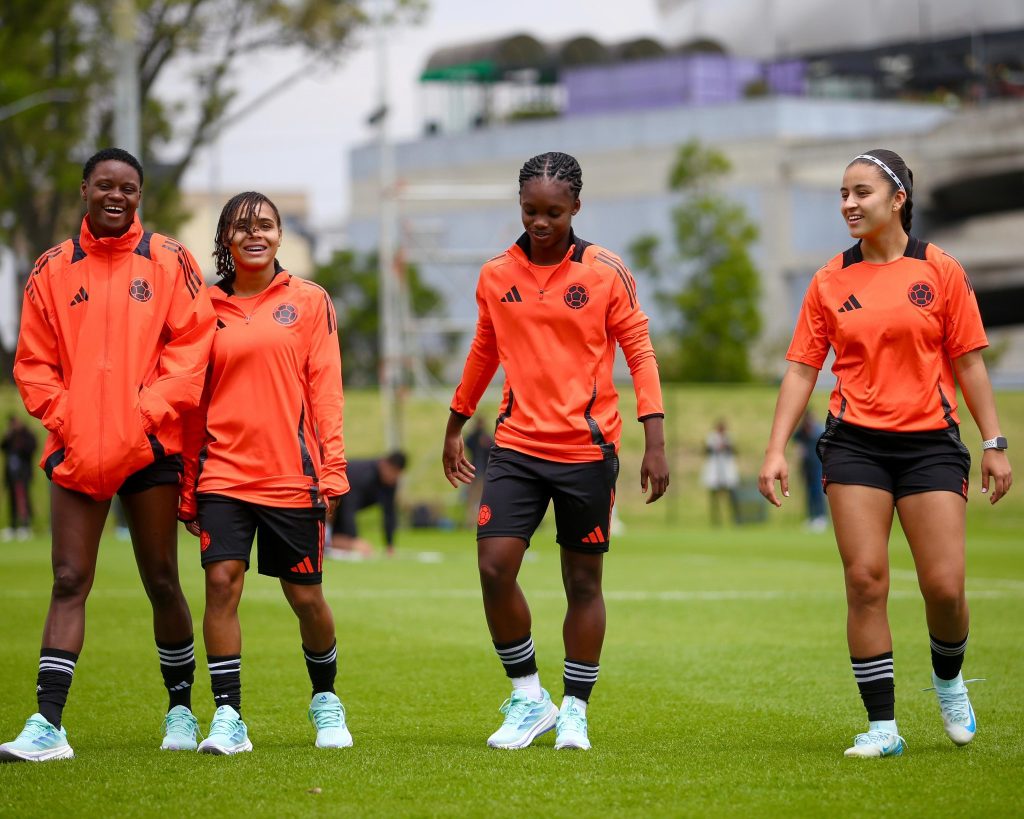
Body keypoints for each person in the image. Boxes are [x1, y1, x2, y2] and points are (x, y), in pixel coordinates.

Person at [758, 149, 1012, 759]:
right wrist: (773, 450)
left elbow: (970, 363)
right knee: (865, 580)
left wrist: (994, 443)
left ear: (898, 199)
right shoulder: (828, 280)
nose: (849, 203)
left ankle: (949, 681)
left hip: (930, 446)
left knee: (945, 588)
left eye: (861, 192)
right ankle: (882, 726)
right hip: (855, 446)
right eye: (843, 193)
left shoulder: (942, 271)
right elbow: (799, 372)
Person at [442, 152, 669, 752]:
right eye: (530, 210)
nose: (540, 222)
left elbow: (640, 351)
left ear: (575, 207)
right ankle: (527, 696)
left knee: (582, 582)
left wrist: (655, 437)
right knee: (494, 566)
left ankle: (575, 709)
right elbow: (484, 350)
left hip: (587, 449)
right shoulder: (496, 274)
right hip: (516, 445)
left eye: (553, 212)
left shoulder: (605, 271)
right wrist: (455, 422)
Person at [0, 148, 217, 762]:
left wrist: (145, 417)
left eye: (127, 188)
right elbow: (33, 364)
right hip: (75, 450)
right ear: (84, 191)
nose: (115, 196)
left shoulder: (172, 261)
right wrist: (68, 419)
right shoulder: (50, 269)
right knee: (69, 579)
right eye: (104, 186)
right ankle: (48, 725)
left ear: (140, 196)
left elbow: (192, 351)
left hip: (148, 449)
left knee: (162, 580)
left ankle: (180, 711)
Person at [178, 191, 350, 754]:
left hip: (291, 477)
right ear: (225, 238)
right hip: (222, 475)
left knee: (306, 599)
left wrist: (333, 473)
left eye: (268, 226)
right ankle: (229, 717)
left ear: (280, 235)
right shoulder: (202, 306)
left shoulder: (308, 300)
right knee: (221, 585)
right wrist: (188, 484)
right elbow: (192, 403)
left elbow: (326, 391)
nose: (256, 234)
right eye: (243, 226)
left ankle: (326, 699)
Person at [328, 452, 406, 559]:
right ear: (384, 465)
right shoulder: (362, 475)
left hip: (345, 506)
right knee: (333, 539)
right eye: (392, 472)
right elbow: (349, 506)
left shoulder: (390, 482)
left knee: (342, 543)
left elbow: (389, 513)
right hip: (334, 498)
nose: (393, 477)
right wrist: (355, 540)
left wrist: (389, 544)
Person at [1, 415, 37, 540]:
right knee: (12, 501)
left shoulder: (26, 435)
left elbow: (31, 448)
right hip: (11, 475)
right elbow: (3, 447)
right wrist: (8, 435)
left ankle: (25, 526)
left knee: (22, 500)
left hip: (22, 474)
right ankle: (13, 526)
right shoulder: (10, 436)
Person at [793, 409, 827, 531]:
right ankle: (812, 517)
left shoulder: (818, 430)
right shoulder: (802, 432)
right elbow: (796, 441)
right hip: (806, 467)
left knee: (818, 491)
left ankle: (821, 517)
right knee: (808, 493)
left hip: (818, 465)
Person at [701, 419, 739, 526]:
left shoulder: (729, 438)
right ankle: (716, 521)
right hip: (714, 471)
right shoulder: (712, 438)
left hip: (727, 471)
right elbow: (706, 451)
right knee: (714, 499)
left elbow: (735, 451)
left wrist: (726, 446)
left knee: (731, 498)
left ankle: (734, 519)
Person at [462, 419, 493, 528]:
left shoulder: (487, 437)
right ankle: (470, 521)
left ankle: (480, 520)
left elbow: (492, 448)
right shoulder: (473, 437)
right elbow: (467, 444)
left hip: (483, 471)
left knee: (481, 497)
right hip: (474, 470)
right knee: (471, 497)